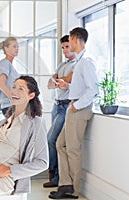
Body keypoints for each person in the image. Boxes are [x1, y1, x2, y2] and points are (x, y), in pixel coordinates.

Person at [0, 75, 49, 195]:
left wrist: (9, 170)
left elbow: (43, 163)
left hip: (3, 180)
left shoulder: (35, 123)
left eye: (20, 89)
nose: (14, 91)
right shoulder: (5, 121)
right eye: (13, 87)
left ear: (31, 95)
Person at [49, 27, 98, 199]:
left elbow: (93, 89)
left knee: (73, 150)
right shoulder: (79, 61)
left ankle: (74, 190)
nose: (68, 43)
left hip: (79, 109)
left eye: (69, 40)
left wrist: (77, 105)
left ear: (75, 39)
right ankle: (65, 184)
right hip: (73, 107)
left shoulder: (86, 62)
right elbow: (80, 87)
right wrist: (70, 94)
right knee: (60, 144)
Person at [43, 35, 76, 188]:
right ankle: (55, 175)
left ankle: (55, 176)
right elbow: (51, 84)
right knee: (53, 141)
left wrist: (59, 81)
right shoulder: (61, 64)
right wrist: (58, 81)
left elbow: (66, 81)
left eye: (67, 47)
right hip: (56, 106)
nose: (64, 50)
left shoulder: (77, 64)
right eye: (62, 47)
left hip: (66, 106)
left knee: (52, 140)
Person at [0, 37, 20, 116]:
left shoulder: (9, 64)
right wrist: (14, 98)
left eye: (17, 46)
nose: (17, 49)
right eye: (14, 46)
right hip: (8, 106)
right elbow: (1, 84)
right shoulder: (4, 63)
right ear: (6, 49)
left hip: (10, 105)